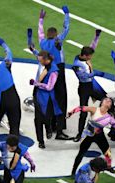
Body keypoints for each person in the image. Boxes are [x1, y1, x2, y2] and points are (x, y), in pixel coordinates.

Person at [67, 97, 115, 175]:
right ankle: (73, 172)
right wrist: (71, 112)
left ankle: (109, 167)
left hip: (99, 136)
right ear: (101, 102)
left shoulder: (109, 118)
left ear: (110, 106)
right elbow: (81, 108)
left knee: (108, 153)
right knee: (81, 153)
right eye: (106, 100)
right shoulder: (94, 109)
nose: (107, 101)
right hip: (88, 135)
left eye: (109, 101)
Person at [38, 6, 70, 134]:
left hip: (48, 70)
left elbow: (39, 33)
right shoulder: (58, 41)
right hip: (59, 70)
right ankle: (60, 129)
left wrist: (41, 19)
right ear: (56, 34)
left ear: (47, 34)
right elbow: (66, 29)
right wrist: (67, 14)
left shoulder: (42, 43)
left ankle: (49, 126)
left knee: (51, 98)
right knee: (61, 98)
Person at [72, 29, 107, 142]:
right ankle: (79, 133)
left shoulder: (82, 58)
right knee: (83, 110)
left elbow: (92, 47)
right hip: (84, 87)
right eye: (90, 56)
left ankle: (109, 127)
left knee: (106, 102)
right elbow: (84, 76)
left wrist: (96, 37)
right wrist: (96, 73)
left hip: (91, 84)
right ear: (85, 56)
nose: (91, 58)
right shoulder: (77, 65)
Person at [29, 50, 68, 148]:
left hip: (46, 97)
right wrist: (33, 50)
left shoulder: (54, 71)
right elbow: (39, 55)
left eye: (41, 61)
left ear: (46, 60)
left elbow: (50, 87)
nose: (40, 62)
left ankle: (48, 128)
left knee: (46, 117)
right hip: (38, 95)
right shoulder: (46, 63)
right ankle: (41, 140)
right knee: (38, 119)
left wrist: (36, 83)